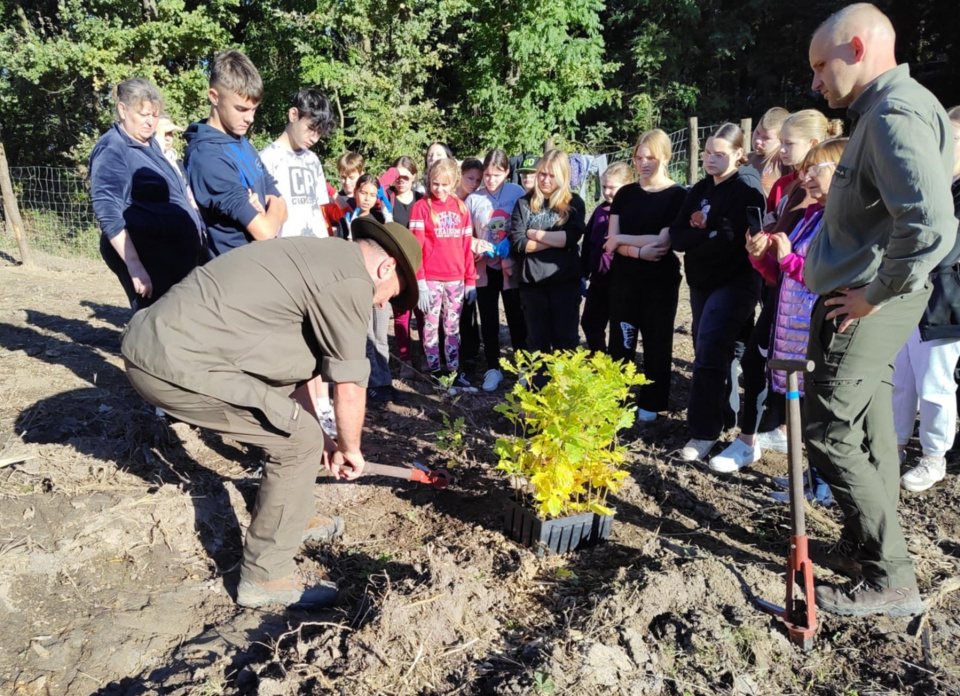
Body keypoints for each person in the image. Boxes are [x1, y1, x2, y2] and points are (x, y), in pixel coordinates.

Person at [121, 219, 422, 609]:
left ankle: (292, 518)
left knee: (302, 432)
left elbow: (292, 380)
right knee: (297, 441)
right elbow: (349, 385)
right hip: (172, 361)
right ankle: (266, 575)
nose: (381, 304)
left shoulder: (324, 260)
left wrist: (329, 442)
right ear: (385, 268)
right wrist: (351, 448)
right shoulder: (350, 280)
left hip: (165, 346)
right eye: (388, 296)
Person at [802, 3, 955, 617]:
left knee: (829, 427)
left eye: (821, 65)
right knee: (869, 428)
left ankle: (890, 575)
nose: (815, 82)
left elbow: (930, 224)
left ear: (858, 50)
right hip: (870, 296)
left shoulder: (893, 114)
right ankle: (868, 545)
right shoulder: (887, 111)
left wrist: (873, 294)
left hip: (865, 300)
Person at [712, 139, 848, 484]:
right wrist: (761, 256)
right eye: (806, 170)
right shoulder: (812, 214)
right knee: (786, 388)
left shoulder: (846, 223)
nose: (807, 177)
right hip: (788, 323)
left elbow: (830, 277)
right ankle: (809, 475)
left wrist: (788, 258)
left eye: (816, 170)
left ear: (843, 171)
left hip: (816, 329)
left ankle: (820, 483)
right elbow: (780, 275)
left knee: (817, 406)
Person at [669, 124, 766, 462]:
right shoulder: (699, 189)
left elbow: (732, 243)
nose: (710, 159)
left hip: (736, 282)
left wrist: (705, 240)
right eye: (707, 152)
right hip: (701, 283)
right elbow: (678, 236)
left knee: (708, 347)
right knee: (726, 348)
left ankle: (703, 432)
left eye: (719, 154)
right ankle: (729, 417)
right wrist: (707, 236)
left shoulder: (746, 189)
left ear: (739, 155)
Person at [90, 78, 206, 311]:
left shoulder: (149, 144)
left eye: (154, 115)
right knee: (156, 324)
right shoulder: (113, 148)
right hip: (148, 258)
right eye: (143, 115)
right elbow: (107, 209)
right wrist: (135, 266)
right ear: (122, 110)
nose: (150, 122)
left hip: (175, 257)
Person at [892, 105, 960, 493]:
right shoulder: (929, 183)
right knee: (901, 378)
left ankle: (934, 457)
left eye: (950, 138)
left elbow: (943, 246)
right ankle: (896, 445)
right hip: (908, 294)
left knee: (935, 384)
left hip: (943, 301)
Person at [604, 131, 687, 421]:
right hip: (625, 279)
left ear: (665, 156)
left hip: (660, 282)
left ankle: (652, 403)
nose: (643, 163)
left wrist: (620, 243)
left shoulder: (678, 196)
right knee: (621, 341)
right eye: (639, 157)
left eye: (650, 157)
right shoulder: (625, 194)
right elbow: (609, 239)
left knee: (657, 341)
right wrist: (636, 251)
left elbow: (662, 243)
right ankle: (617, 398)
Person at [183, 50, 287, 257]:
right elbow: (265, 231)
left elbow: (283, 205)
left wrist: (271, 204)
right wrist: (272, 206)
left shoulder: (241, 143)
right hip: (234, 274)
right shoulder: (207, 157)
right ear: (214, 97)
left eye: (254, 109)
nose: (250, 118)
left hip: (261, 264)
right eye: (241, 109)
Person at [509, 150, 587, 372]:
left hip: (565, 283)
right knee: (537, 344)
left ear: (562, 176)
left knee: (566, 342)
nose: (544, 179)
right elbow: (518, 243)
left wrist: (534, 234)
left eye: (551, 175)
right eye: (542, 174)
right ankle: (539, 395)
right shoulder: (524, 203)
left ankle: (565, 397)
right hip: (532, 285)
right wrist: (555, 240)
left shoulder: (574, 203)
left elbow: (572, 237)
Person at [466, 149, 528, 391]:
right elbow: (466, 234)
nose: (491, 180)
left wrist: (509, 242)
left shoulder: (516, 192)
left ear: (507, 172)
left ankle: (523, 367)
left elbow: (524, 221)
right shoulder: (474, 199)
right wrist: (474, 244)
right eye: (487, 175)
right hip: (484, 266)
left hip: (509, 265)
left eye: (496, 175)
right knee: (489, 319)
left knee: (516, 318)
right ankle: (493, 368)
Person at [409, 158, 477, 379]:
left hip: (456, 278)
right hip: (430, 279)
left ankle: (453, 369)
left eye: (445, 184)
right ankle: (435, 370)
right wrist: (419, 281)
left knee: (452, 328)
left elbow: (467, 247)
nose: (439, 189)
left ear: (454, 183)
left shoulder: (461, 208)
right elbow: (415, 247)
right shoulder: (420, 208)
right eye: (435, 183)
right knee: (430, 327)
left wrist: (471, 280)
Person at [260, 88, 337, 239]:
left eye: (319, 133)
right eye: (311, 128)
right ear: (293, 114)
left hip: (317, 249)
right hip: (286, 251)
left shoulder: (313, 160)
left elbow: (321, 211)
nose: (314, 138)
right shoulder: (266, 158)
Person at [581, 162, 633, 354]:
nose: (607, 192)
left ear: (627, 185)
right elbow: (587, 243)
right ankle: (599, 358)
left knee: (619, 328)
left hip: (622, 280)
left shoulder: (630, 212)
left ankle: (617, 367)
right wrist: (583, 273)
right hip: (599, 279)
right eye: (604, 187)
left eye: (613, 187)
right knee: (589, 322)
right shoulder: (599, 211)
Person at [386, 156, 426, 378]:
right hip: (398, 266)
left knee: (422, 313)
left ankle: (426, 355)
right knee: (401, 314)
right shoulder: (387, 199)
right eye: (396, 177)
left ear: (414, 177)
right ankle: (406, 360)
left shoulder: (422, 200)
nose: (401, 181)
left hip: (420, 264)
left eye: (405, 177)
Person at [457, 157, 485, 374]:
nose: (474, 183)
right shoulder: (452, 199)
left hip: (470, 262)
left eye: (478, 179)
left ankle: (470, 354)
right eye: (470, 178)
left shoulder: (477, 200)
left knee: (468, 309)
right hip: (452, 260)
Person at [744, 107, 790, 196]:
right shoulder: (746, 159)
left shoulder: (785, 161)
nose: (758, 140)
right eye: (757, 132)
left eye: (766, 138)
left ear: (780, 139)